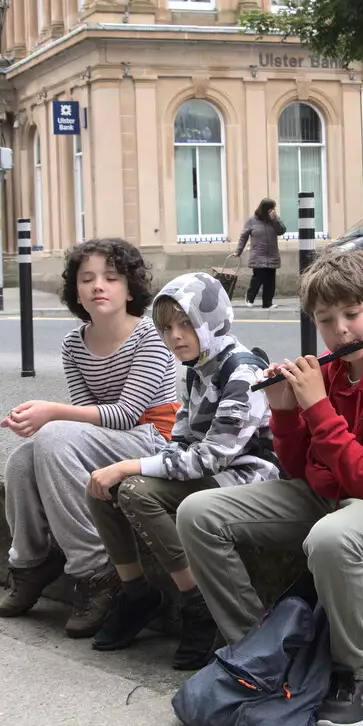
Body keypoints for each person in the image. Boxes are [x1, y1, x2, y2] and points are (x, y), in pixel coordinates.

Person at [177, 247, 363, 726]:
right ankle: (256, 648)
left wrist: (319, 408)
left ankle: (359, 678)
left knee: (331, 539)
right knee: (198, 513)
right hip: (329, 493)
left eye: (353, 314)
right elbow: (298, 469)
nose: (342, 331)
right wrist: (286, 410)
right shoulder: (328, 369)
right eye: (327, 321)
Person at [84, 273, 279, 669]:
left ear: (212, 318)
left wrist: (130, 466)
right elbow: (182, 437)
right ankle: (136, 592)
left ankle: (197, 603)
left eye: (186, 322)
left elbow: (212, 457)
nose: (176, 336)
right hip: (210, 472)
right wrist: (130, 470)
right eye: (167, 327)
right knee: (106, 488)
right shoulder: (198, 367)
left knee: (132, 488)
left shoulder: (242, 373)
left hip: (249, 480)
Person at [0, 238, 181, 638]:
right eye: (88, 278)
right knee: (22, 458)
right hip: (109, 440)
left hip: (154, 439)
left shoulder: (151, 336)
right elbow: (86, 425)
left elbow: (126, 414)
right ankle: (30, 562)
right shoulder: (73, 344)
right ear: (76, 292)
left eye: (111, 278)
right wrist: (36, 421)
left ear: (129, 288)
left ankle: (96, 571)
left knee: (53, 435)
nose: (99, 285)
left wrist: (51, 414)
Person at [234, 198, 285, 309]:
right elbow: (243, 236)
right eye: (270, 208)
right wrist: (238, 250)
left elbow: (281, 231)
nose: (272, 210)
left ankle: (267, 303)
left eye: (273, 208)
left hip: (272, 254)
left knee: (270, 281)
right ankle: (249, 297)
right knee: (258, 278)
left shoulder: (274, 219)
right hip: (258, 255)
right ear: (264, 208)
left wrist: (275, 219)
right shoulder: (252, 220)